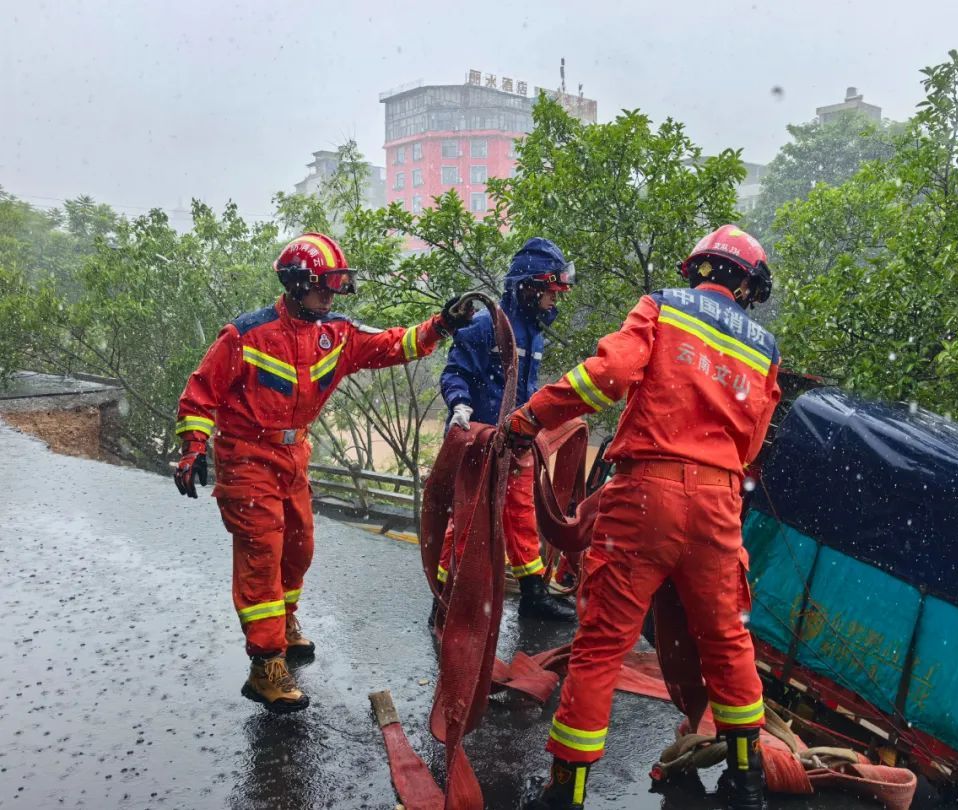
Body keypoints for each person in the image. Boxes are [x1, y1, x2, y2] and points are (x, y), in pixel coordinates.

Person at [505, 225, 781, 809]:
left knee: (603, 643)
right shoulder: (764, 349)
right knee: (728, 640)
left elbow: (604, 377)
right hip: (719, 502)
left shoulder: (663, 307)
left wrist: (530, 417)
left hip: (647, 496)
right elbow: (753, 442)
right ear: (748, 286)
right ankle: (746, 779)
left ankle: (566, 791)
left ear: (698, 269)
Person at [173, 232, 472, 714]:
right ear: (296, 283)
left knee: (298, 548)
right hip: (246, 459)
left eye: (336, 287)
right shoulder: (246, 335)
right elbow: (200, 393)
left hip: (294, 458)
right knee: (262, 556)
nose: (331, 296)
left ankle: (284, 624)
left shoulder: (337, 334)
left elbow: (394, 344)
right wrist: (192, 449)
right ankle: (266, 664)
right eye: (324, 287)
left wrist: (441, 324)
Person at [437, 237, 576, 622]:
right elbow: (456, 372)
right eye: (551, 291)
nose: (554, 300)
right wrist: (459, 402)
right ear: (528, 287)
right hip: (482, 442)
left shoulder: (533, 332)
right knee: (466, 521)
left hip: (516, 442)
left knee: (520, 515)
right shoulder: (486, 326)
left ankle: (533, 595)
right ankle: (447, 597)